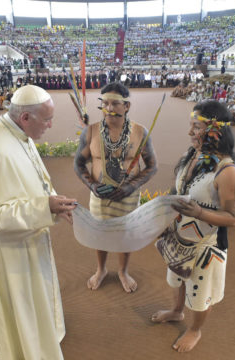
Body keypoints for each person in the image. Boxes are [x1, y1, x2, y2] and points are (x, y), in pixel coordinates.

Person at [0, 85, 77, 360]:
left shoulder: (18, 134)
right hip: (9, 248)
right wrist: (45, 206)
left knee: (34, 299)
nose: (50, 125)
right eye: (47, 120)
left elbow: (32, 178)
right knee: (21, 304)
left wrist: (53, 203)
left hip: (27, 235)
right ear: (25, 118)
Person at [152, 100, 235, 353]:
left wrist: (200, 212)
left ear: (216, 130)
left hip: (206, 245)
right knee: (177, 280)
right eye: (191, 126)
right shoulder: (191, 155)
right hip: (180, 237)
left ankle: (195, 329)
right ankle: (176, 311)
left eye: (196, 126)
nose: (190, 132)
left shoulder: (228, 172)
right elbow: (178, 190)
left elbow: (233, 217)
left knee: (200, 294)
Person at [74, 82, 158, 292]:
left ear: (126, 106)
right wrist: (92, 185)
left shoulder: (140, 132)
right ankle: (101, 269)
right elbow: (78, 164)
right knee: (99, 233)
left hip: (127, 197)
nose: (109, 109)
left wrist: (131, 187)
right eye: (105, 103)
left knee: (125, 234)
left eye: (115, 104)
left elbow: (152, 166)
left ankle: (123, 271)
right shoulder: (91, 132)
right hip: (99, 196)